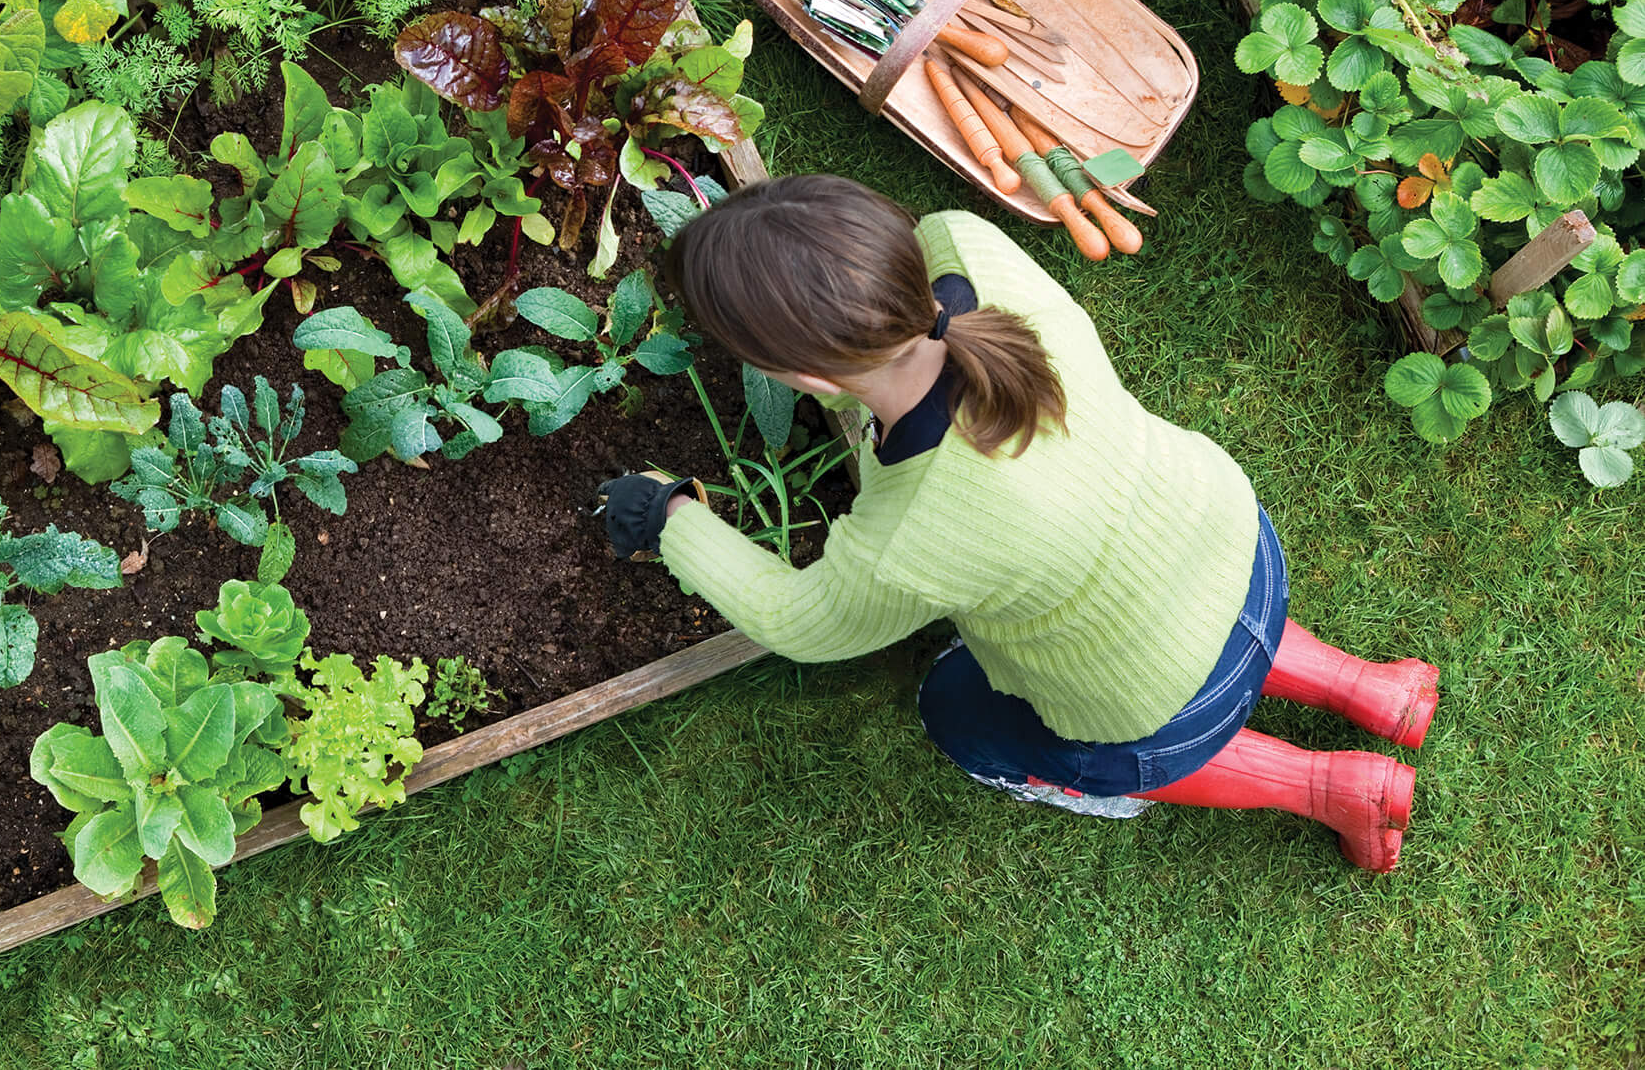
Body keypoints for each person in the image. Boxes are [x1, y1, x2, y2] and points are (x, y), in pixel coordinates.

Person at [595, 175, 1438, 870]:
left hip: (1156, 700)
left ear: (809, 379)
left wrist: (669, 516)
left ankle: (1332, 786)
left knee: (955, 710)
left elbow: (795, 619)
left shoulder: (910, 535)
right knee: (1174, 609)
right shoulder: (965, 245)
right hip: (1232, 540)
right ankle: (1374, 688)